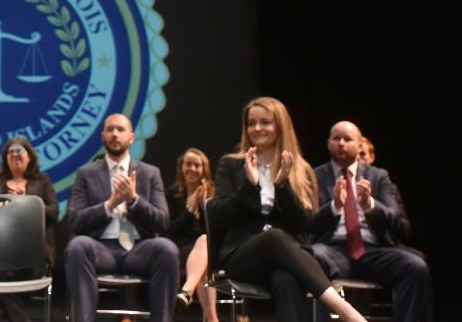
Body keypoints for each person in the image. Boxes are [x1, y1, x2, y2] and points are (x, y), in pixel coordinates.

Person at [210, 96, 367, 322]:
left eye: (265, 122)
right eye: (251, 123)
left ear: (280, 126)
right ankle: (345, 311)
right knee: (274, 237)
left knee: (287, 279)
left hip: (287, 259)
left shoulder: (299, 169)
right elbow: (218, 217)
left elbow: (304, 225)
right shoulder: (231, 164)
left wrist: (282, 186)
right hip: (242, 257)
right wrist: (249, 186)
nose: (256, 128)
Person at [310, 121, 432, 322]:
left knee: (415, 267)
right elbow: (308, 223)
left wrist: (370, 205)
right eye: (336, 138)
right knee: (309, 258)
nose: (341, 143)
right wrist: (334, 207)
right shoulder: (314, 175)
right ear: (328, 143)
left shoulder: (378, 176)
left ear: (359, 145)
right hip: (332, 249)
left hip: (373, 251)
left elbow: (397, 223)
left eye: (347, 139)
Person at [64, 113, 179, 322]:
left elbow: (162, 222)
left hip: (139, 249)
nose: (115, 134)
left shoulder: (150, 173)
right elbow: (75, 221)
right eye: (110, 130)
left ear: (132, 138)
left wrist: (134, 199)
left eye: (120, 129)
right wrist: (110, 204)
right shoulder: (86, 173)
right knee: (77, 246)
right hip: (102, 249)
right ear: (102, 137)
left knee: (167, 248)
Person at [0, 136, 59, 322]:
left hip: (32, 248)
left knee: (26, 269)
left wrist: (28, 203)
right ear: (5, 158)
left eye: (20, 151)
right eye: (11, 152)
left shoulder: (42, 181)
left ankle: (11, 316)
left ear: (30, 156)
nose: (15, 155)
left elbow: (54, 212)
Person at [166, 148, 218, 322]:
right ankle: (213, 319)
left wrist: (203, 207)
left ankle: (187, 291)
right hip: (180, 249)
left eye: (197, 165)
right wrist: (189, 211)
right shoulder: (172, 194)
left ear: (204, 169)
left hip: (207, 250)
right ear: (182, 167)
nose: (192, 169)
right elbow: (170, 230)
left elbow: (215, 230)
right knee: (205, 265)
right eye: (188, 164)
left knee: (204, 242)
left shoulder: (213, 196)